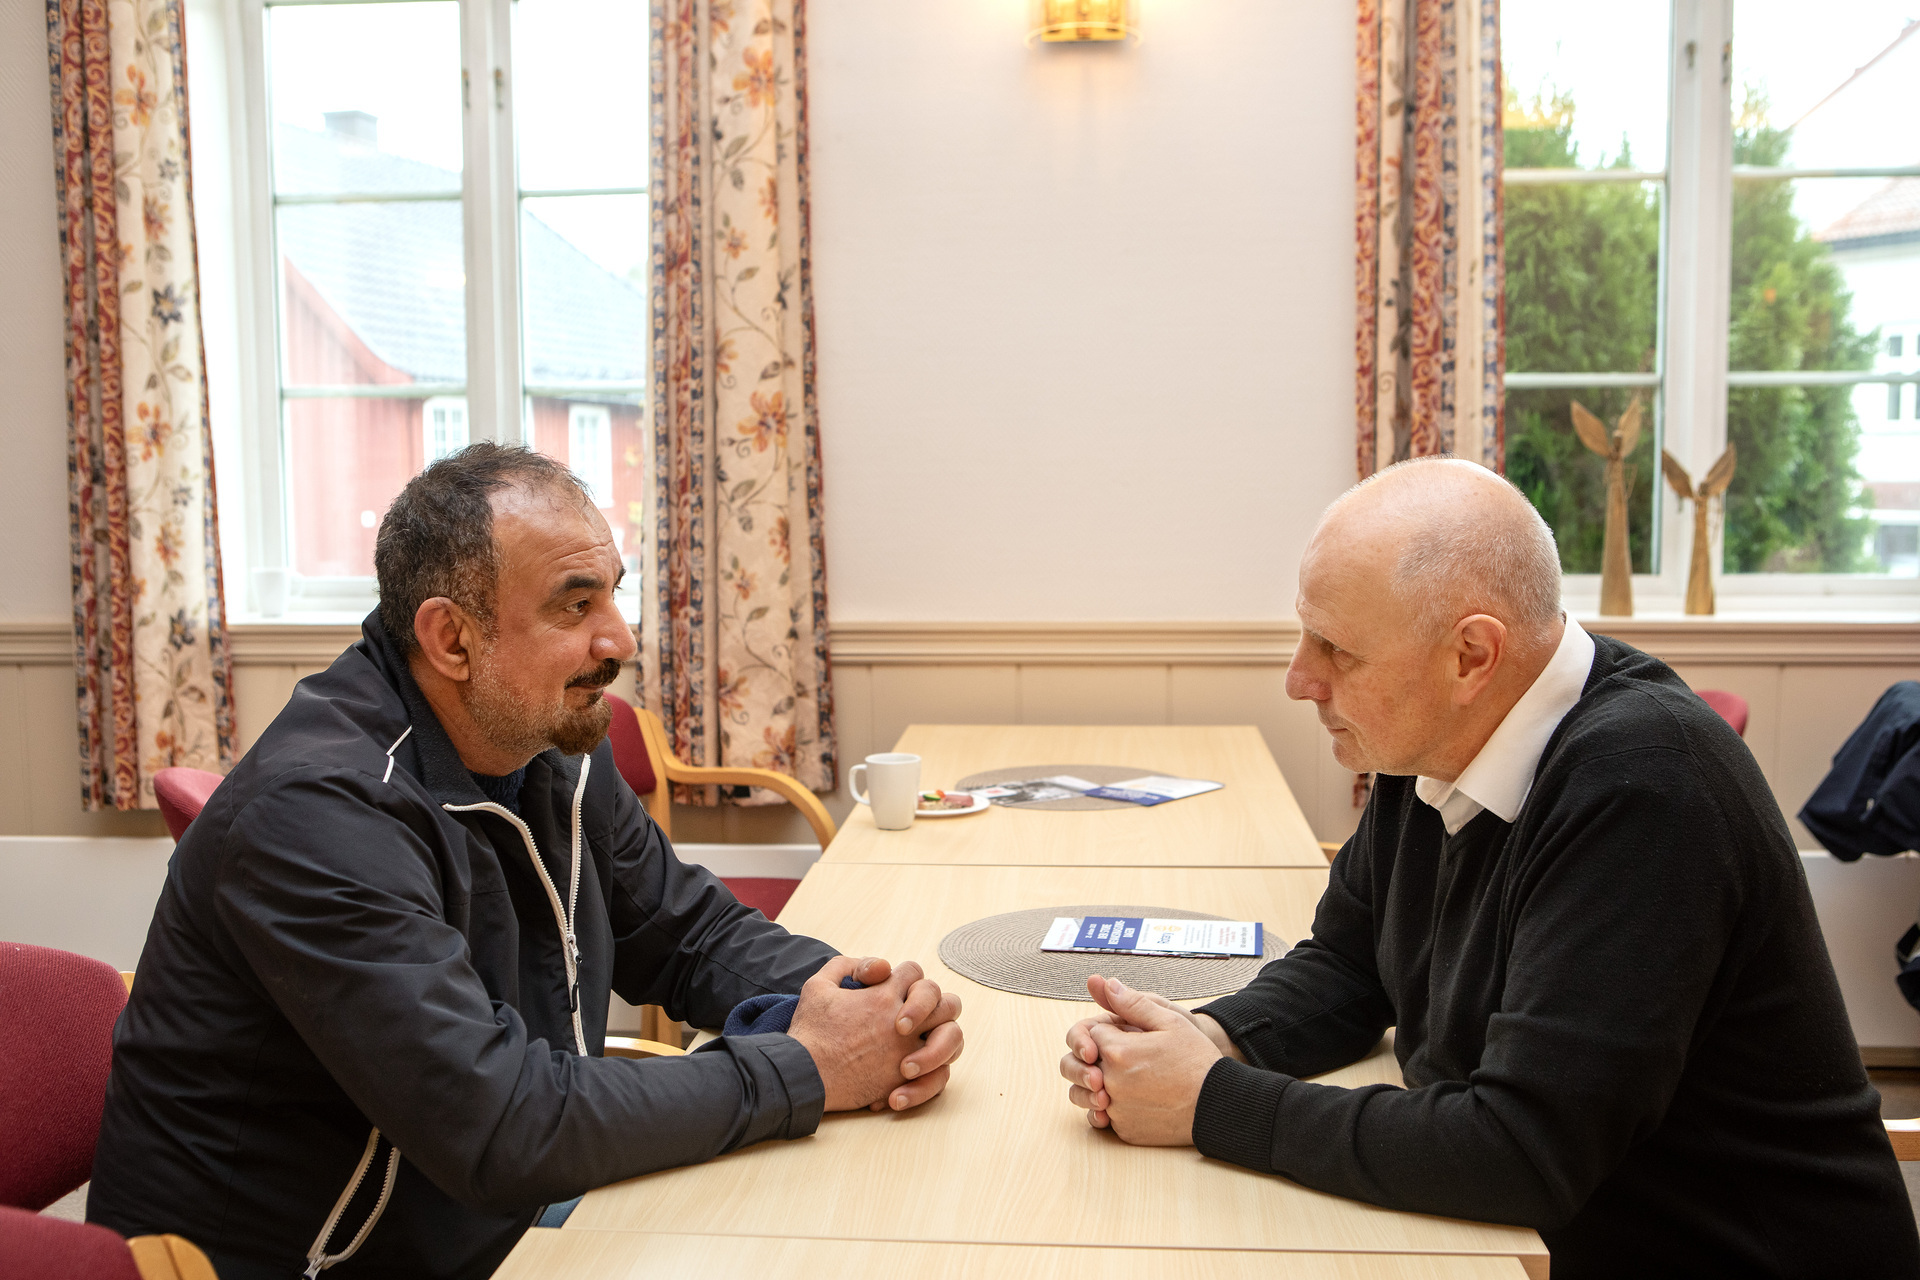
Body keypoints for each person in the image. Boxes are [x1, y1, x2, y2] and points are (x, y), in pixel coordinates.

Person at [89, 445, 963, 1280]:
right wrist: (807, 1067)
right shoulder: (316, 814)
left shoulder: (542, 741)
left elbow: (687, 935)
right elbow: (499, 1124)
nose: (620, 641)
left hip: (482, 1222)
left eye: (614, 595)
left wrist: (865, 1002)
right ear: (451, 639)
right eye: (574, 607)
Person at [1059, 457, 1920, 1278]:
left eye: (1337, 649)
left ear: (1471, 656)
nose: (1299, 679)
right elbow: (1352, 966)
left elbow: (1522, 1150)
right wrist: (1209, 1039)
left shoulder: (1646, 784)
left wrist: (1211, 1102)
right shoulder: (1432, 735)